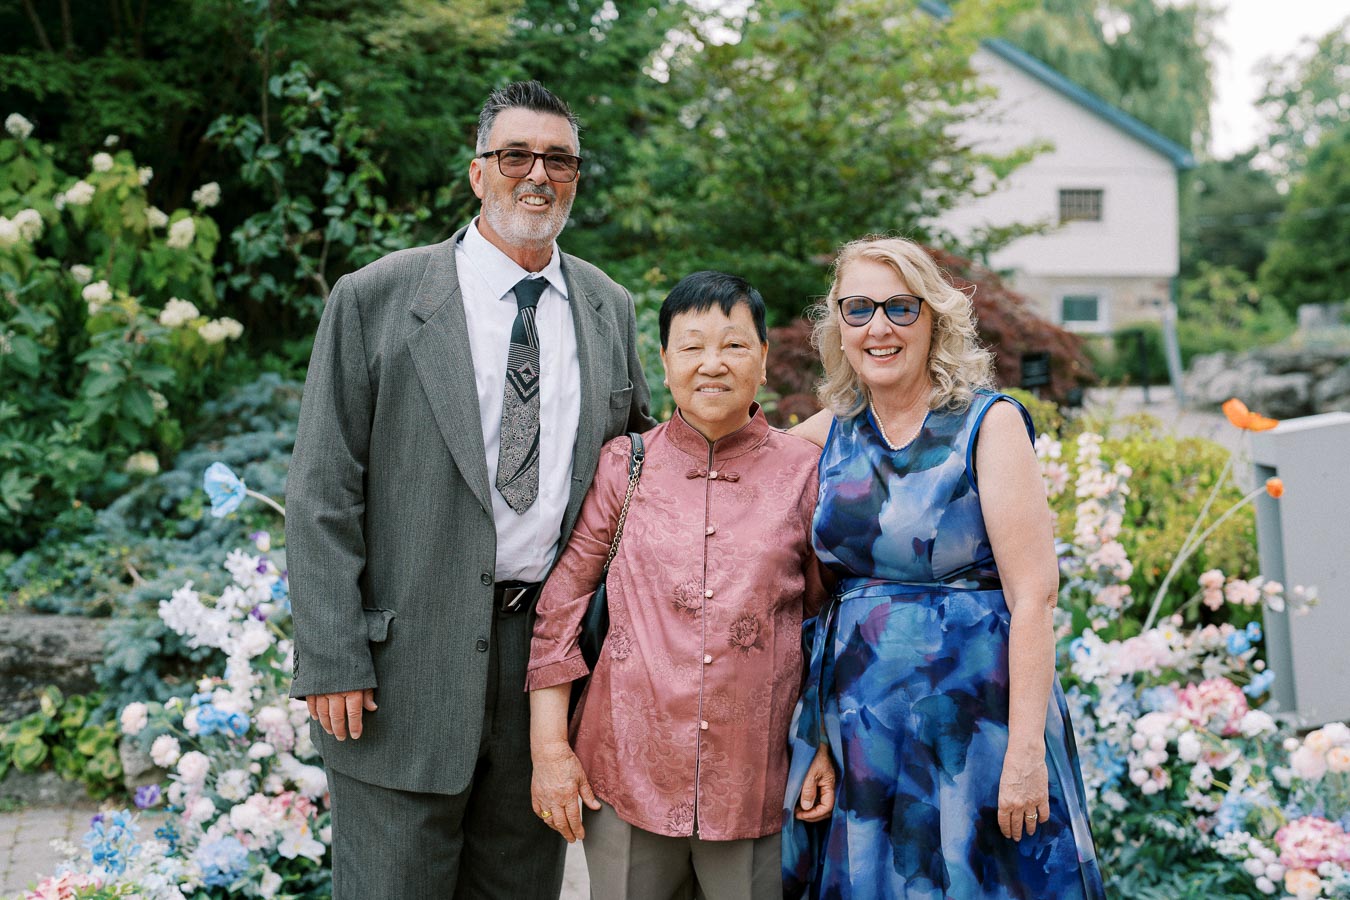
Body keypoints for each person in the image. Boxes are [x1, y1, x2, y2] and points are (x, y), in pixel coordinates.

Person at [285, 81, 654, 900]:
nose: (538, 175)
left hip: (546, 685)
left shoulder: (607, 308)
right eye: (515, 155)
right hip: (398, 677)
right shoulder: (376, 299)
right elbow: (322, 491)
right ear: (477, 173)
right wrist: (334, 654)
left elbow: (636, 478)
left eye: (559, 160)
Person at [782, 236, 1105, 899]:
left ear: (934, 318)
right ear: (837, 324)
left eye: (901, 308)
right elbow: (729, 481)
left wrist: (1024, 752)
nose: (879, 327)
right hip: (861, 731)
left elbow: (1035, 596)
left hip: (977, 730)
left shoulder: (988, 426)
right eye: (858, 308)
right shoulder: (827, 433)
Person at [525, 271, 829, 900]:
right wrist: (549, 750)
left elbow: (832, 623)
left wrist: (826, 743)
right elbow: (560, 610)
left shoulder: (808, 474)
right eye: (692, 347)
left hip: (756, 780)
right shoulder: (624, 465)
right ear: (663, 363)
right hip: (626, 772)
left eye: (735, 345)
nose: (712, 364)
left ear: (765, 360)